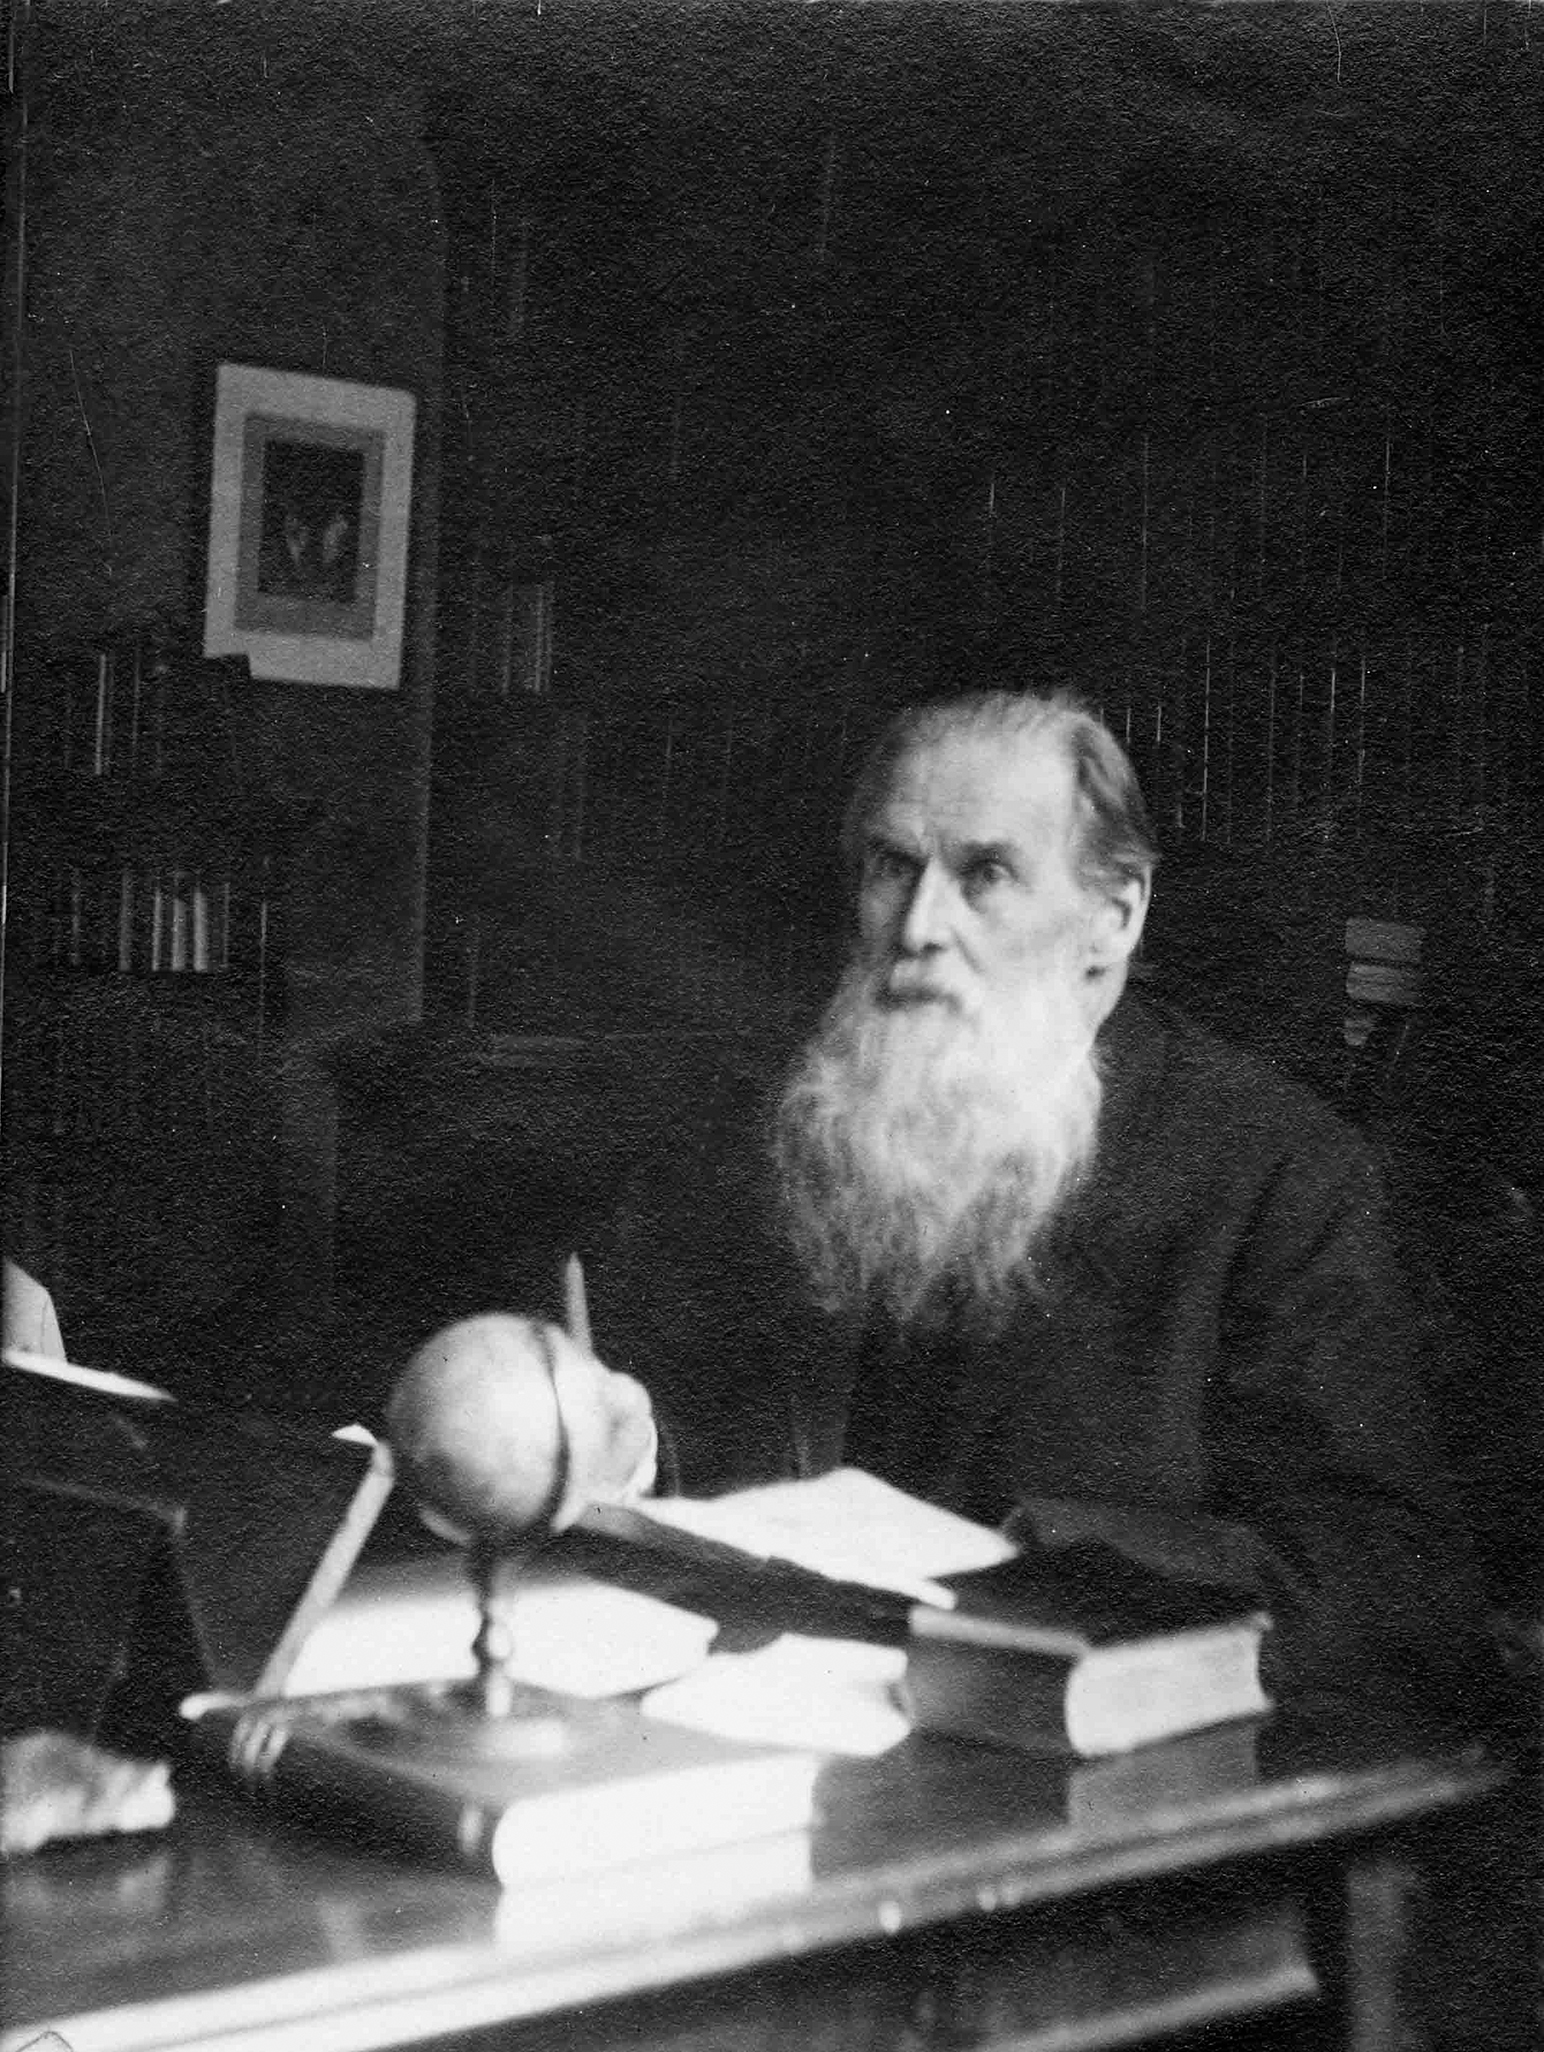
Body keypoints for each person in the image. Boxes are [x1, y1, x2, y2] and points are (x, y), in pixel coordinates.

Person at [559, 689, 1495, 1730]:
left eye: (984, 875)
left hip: (1065, 1780)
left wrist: (1033, 1557)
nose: (918, 927)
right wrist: (619, 1448)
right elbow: (670, 1440)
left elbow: (1386, 1578)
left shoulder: (1275, 1173)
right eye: (890, 868)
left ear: (1114, 916)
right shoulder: (770, 1128)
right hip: (744, 1732)